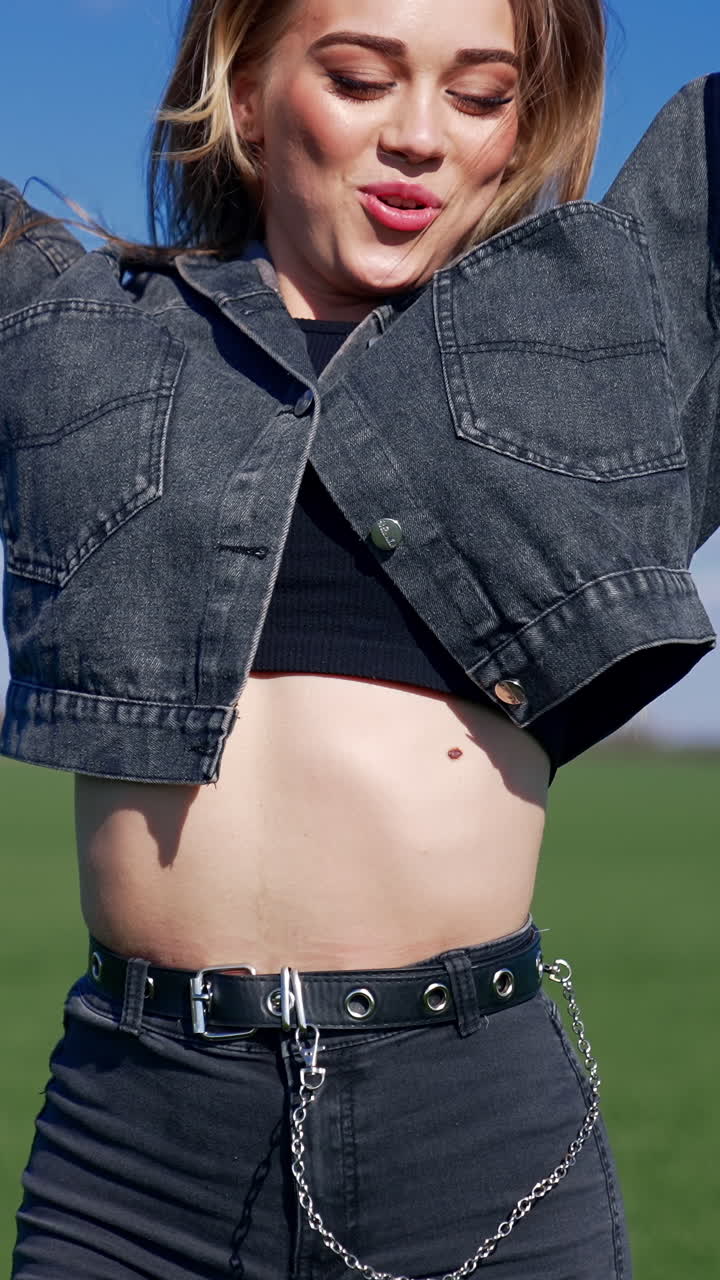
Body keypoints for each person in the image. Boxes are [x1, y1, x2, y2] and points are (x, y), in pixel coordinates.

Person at [1, 0, 718, 1276]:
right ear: (246, 91)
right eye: (359, 77)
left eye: (481, 95)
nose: (419, 137)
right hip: (133, 1153)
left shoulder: (609, 334)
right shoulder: (69, 330)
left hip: (477, 1136)